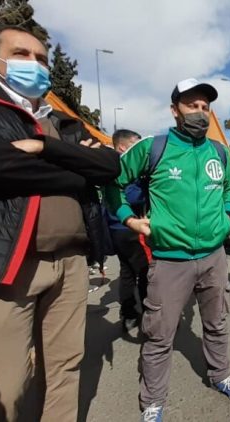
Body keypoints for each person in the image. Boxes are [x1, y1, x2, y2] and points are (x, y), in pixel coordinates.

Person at [0, 26, 120, 421]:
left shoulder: (63, 123)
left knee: (65, 370)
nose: (36, 65)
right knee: (3, 388)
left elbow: (110, 166)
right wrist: (74, 169)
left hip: (71, 262)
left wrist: (44, 147)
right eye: (22, 54)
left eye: (42, 58)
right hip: (1, 264)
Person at [105, 78, 230, 421]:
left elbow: (228, 189)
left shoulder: (217, 151)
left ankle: (220, 375)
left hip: (214, 257)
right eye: (191, 105)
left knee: (216, 324)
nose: (200, 112)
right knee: (159, 334)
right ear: (174, 111)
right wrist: (129, 219)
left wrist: (227, 217)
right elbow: (113, 185)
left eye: (205, 107)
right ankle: (153, 400)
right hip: (170, 262)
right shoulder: (151, 149)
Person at [107, 129, 150, 331]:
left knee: (127, 272)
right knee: (144, 271)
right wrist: (146, 186)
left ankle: (128, 313)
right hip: (129, 227)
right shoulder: (119, 167)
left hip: (118, 228)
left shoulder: (113, 164)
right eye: (136, 144)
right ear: (123, 147)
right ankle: (147, 315)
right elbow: (132, 196)